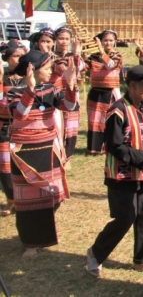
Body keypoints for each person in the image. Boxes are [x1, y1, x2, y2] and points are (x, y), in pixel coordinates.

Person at [86, 65, 143, 278]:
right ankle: (95, 253)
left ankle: (142, 259)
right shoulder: (117, 111)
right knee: (125, 217)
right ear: (133, 85)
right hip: (120, 174)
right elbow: (114, 146)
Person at [7, 50, 77, 257]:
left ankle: (43, 231)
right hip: (24, 153)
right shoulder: (14, 92)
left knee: (53, 196)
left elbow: (70, 106)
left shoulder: (51, 90)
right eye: (47, 68)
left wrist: (70, 83)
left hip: (48, 149)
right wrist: (29, 90)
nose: (51, 71)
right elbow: (19, 113)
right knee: (28, 200)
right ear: (32, 71)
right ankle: (30, 243)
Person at [87, 30, 124, 155]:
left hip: (111, 92)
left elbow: (110, 65)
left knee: (109, 119)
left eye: (110, 40)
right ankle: (95, 148)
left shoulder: (118, 55)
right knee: (95, 119)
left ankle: (110, 146)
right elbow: (82, 67)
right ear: (102, 42)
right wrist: (77, 54)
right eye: (105, 40)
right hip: (95, 92)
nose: (108, 42)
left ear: (114, 42)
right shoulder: (93, 57)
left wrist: (101, 51)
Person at [0, 41, 26, 217]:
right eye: (16, 56)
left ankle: (24, 199)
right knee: (5, 165)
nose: (20, 59)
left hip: (24, 127)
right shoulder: (3, 76)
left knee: (23, 164)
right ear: (7, 58)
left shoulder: (30, 76)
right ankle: (11, 199)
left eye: (23, 55)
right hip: (4, 126)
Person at [51, 27, 85, 158]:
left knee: (71, 124)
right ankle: (57, 152)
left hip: (70, 92)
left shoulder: (73, 56)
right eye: (61, 38)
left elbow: (79, 68)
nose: (63, 41)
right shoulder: (50, 55)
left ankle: (68, 155)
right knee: (57, 123)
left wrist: (77, 54)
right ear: (55, 39)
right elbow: (59, 68)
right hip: (55, 93)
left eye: (66, 39)